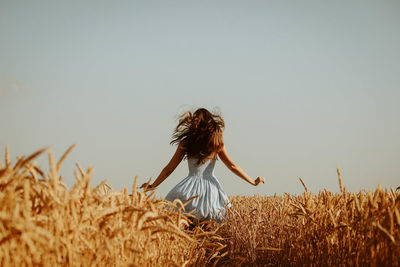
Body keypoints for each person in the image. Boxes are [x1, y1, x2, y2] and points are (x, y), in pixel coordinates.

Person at [140, 108, 265, 223]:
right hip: (211, 192)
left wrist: (152, 186)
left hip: (188, 191)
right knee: (209, 230)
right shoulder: (216, 142)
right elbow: (233, 166)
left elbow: (169, 169)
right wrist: (253, 182)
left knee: (184, 227)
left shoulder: (186, 143)